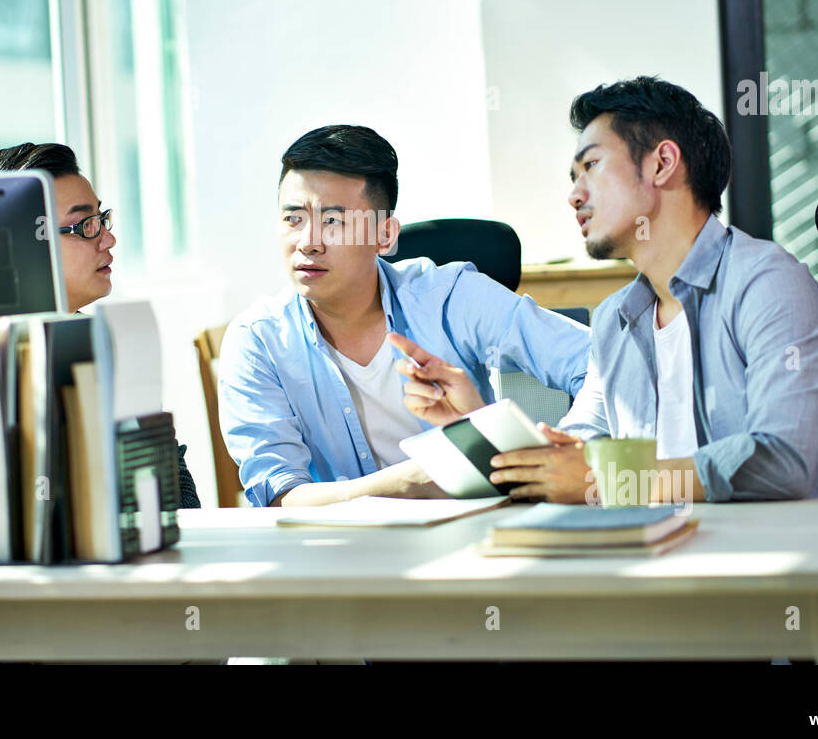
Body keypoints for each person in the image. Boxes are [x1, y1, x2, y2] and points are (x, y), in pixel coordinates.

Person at [392, 76, 818, 504]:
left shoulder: (766, 284)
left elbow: (780, 461)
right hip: (674, 561)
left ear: (663, 162)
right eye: (573, 177)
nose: (574, 195)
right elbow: (575, 456)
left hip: (792, 578)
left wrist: (608, 479)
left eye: (592, 166)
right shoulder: (617, 320)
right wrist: (475, 422)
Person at [218, 125, 591, 507]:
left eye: (333, 221)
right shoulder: (257, 339)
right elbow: (280, 497)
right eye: (293, 219)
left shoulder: (451, 296)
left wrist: (568, 458)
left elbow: (602, 365)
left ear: (384, 235)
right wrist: (411, 482)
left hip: (475, 541)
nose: (308, 241)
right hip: (338, 552)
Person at [0, 142, 200, 508]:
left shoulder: (109, 344)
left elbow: (178, 493)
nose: (108, 239)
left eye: (101, 219)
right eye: (85, 226)